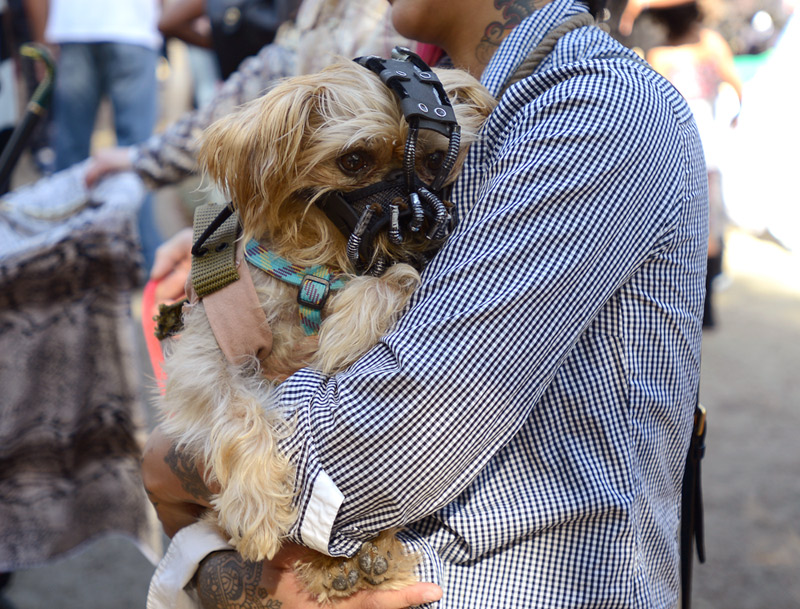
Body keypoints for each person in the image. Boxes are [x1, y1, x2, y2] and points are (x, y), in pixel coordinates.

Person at [142, 0, 708, 606]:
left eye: (435, 166)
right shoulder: (426, 84)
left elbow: (377, 446)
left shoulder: (591, 108)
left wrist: (169, 464)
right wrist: (242, 241)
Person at [23, 0, 164, 267]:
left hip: (75, 26)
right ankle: (145, 260)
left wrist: (43, 39)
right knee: (138, 155)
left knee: (71, 155)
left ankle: (63, 259)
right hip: (131, 27)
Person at [643, 0, 742, 328]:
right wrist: (732, 121)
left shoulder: (658, 55)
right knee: (709, 224)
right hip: (707, 147)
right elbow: (736, 86)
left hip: (675, 150)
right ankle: (707, 307)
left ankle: (696, 304)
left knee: (684, 227)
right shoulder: (710, 44)